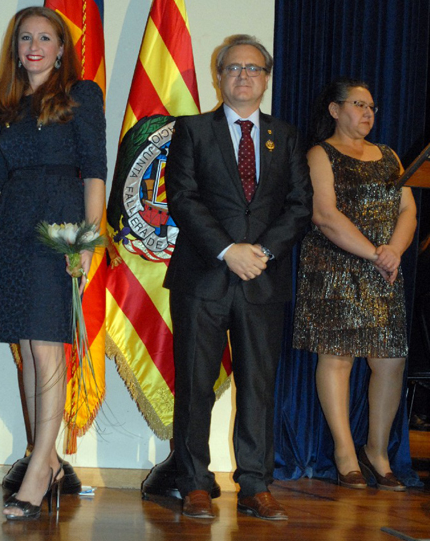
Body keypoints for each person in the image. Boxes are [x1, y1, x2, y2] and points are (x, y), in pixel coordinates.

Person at [164, 34, 312, 520]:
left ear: (266, 79)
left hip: (263, 280)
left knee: (258, 387)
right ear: (219, 76)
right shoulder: (191, 130)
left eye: (253, 68)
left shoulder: (286, 136)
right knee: (195, 386)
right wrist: (229, 251)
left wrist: (261, 252)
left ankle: (254, 485)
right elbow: (182, 198)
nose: (243, 76)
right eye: (233, 68)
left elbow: (300, 205)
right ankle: (194, 482)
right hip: (202, 279)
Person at [0, 6, 106, 520]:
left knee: (47, 345)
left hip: (58, 228)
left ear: (61, 49)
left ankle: (38, 468)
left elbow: (95, 172)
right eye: (25, 38)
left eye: (45, 38)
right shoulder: (5, 105)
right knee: (28, 346)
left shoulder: (82, 95)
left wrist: (87, 241)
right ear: (15, 49)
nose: (34, 46)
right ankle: (49, 461)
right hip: (11, 230)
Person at [293, 78, 416, 491]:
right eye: (358, 105)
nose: (367, 113)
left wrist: (393, 251)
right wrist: (375, 254)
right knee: (338, 358)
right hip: (335, 268)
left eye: (371, 107)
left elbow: (408, 211)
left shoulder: (389, 155)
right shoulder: (320, 154)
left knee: (390, 361)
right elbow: (325, 215)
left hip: (385, 270)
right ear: (334, 110)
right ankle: (345, 453)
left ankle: (377, 452)